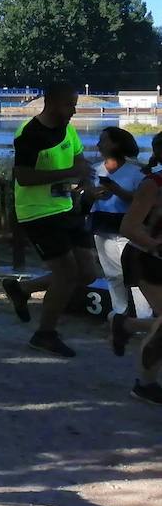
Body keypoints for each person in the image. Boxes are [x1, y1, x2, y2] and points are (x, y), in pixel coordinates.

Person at [3, 83, 97, 357]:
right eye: (70, 104)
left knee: (88, 273)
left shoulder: (69, 129)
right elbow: (24, 177)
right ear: (52, 103)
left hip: (67, 206)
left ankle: (23, 288)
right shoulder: (29, 134)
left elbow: (80, 162)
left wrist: (86, 184)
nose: (75, 110)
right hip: (37, 211)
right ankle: (45, 334)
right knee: (66, 273)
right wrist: (69, 172)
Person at [86, 127, 152, 355]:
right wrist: (91, 194)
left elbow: (141, 200)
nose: (98, 145)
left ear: (115, 144)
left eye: (103, 141)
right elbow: (88, 196)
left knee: (136, 277)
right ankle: (119, 317)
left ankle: (144, 321)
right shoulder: (96, 170)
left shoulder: (136, 173)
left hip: (127, 228)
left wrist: (117, 190)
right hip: (102, 226)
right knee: (113, 276)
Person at [119, 132, 162, 404]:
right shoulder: (153, 184)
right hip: (146, 259)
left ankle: (126, 324)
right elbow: (128, 227)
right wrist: (156, 246)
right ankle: (145, 384)